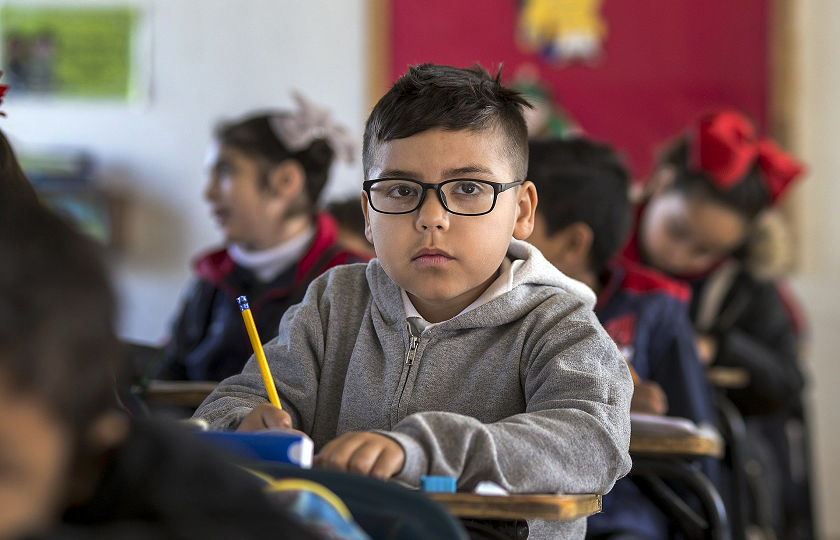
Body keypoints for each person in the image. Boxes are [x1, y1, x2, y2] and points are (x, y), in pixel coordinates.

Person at [194, 64, 633, 540]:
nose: (431, 218)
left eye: (468, 188)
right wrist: (243, 425)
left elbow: (592, 442)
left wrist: (421, 450)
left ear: (522, 211)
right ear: (367, 214)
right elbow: (231, 404)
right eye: (401, 190)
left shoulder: (559, 323)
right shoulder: (334, 302)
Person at [0, 202, 321, 540]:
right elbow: (176, 367)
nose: (212, 192)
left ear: (82, 468)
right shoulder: (212, 276)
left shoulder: (200, 508)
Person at [623, 109, 813, 540]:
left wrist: (719, 347)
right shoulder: (600, 254)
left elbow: (788, 384)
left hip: (690, 476)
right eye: (677, 231)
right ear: (661, 183)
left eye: (706, 251)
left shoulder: (742, 285)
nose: (682, 256)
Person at [526, 138, 718, 540]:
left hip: (619, 517)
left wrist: (629, 410)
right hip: (517, 508)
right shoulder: (492, 306)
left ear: (573, 243)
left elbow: (696, 444)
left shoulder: (654, 308)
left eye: (522, 217)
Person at [155, 93, 369, 382]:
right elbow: (167, 378)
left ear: (286, 181)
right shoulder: (210, 278)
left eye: (225, 171)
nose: (208, 192)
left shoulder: (353, 281)